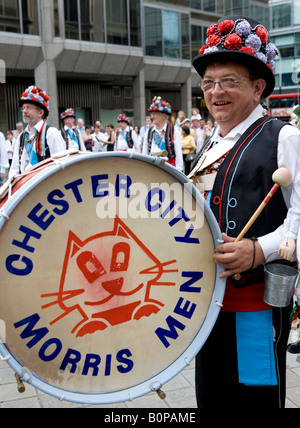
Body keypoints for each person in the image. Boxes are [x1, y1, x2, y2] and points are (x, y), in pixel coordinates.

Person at [189, 16, 300, 409]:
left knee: (253, 400)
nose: (215, 92)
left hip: (255, 303)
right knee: (212, 396)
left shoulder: (284, 137)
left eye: (228, 81)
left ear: (258, 88)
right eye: (208, 83)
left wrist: (258, 250)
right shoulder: (209, 144)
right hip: (204, 305)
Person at [10, 86, 65, 177]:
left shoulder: (51, 133)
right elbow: (15, 169)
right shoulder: (22, 137)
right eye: (23, 108)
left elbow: (61, 166)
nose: (24, 111)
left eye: (29, 108)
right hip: (25, 186)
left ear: (40, 113)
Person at [142, 96, 183, 171]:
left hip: (169, 169)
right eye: (152, 114)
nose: (152, 117)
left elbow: (178, 154)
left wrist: (179, 171)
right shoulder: (149, 131)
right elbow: (144, 152)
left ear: (163, 116)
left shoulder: (174, 131)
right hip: (152, 168)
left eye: (155, 114)